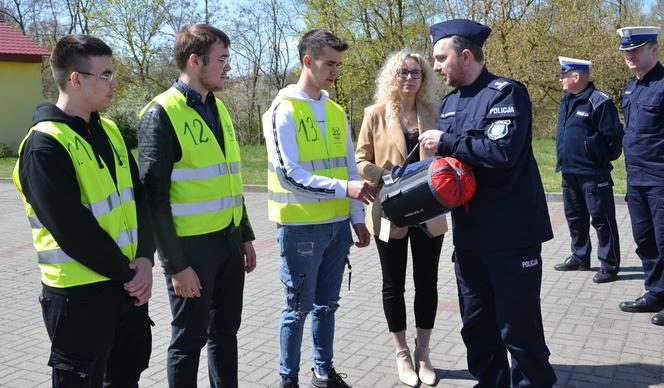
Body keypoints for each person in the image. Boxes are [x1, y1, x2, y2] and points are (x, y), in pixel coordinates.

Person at [419, 19, 557, 387]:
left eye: (440, 58)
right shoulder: (448, 104)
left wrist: (445, 142)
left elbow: (501, 151)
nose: (435, 66)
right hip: (470, 239)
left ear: (466, 56)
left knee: (519, 329)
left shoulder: (505, 94)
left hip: (511, 237)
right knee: (478, 327)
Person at [12, 34, 155, 387]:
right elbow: (73, 230)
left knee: (126, 376)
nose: (115, 82)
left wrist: (147, 259)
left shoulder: (109, 130)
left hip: (127, 287)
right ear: (75, 79)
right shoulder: (43, 144)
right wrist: (130, 274)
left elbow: (138, 199)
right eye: (105, 74)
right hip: (80, 297)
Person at [138, 24, 257, 387]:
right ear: (195, 60)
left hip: (228, 241)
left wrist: (246, 235)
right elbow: (153, 199)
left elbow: (229, 179)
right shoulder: (160, 113)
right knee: (187, 342)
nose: (228, 67)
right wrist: (176, 266)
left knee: (225, 333)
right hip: (192, 251)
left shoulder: (218, 108)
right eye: (222, 59)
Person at [262, 29, 376, 388]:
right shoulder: (282, 110)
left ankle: (323, 373)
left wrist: (357, 218)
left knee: (328, 306)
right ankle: (288, 379)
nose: (335, 71)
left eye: (339, 64)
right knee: (298, 309)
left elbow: (348, 166)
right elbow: (290, 174)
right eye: (329, 63)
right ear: (307, 61)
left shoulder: (335, 110)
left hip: (337, 226)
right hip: (301, 229)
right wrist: (346, 189)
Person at [354, 49, 447, 387]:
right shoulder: (375, 114)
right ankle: (402, 353)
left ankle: (423, 353)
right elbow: (360, 159)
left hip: (430, 211)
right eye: (403, 72)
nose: (409, 77)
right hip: (391, 210)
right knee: (393, 285)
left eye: (416, 72)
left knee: (427, 284)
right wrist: (382, 174)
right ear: (392, 76)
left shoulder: (433, 112)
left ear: (424, 78)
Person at [553, 56, 623, 283]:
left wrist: (598, 158)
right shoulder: (566, 100)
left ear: (577, 76)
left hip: (593, 173)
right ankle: (580, 256)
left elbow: (613, 138)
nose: (561, 78)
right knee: (575, 217)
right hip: (569, 170)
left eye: (564, 74)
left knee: (602, 219)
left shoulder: (599, 101)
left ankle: (609, 265)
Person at [615, 26, 664, 326]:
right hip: (636, 180)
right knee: (645, 240)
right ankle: (656, 292)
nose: (630, 55)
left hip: (660, 180)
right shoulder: (631, 88)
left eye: (637, 49)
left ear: (655, 49)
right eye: (626, 51)